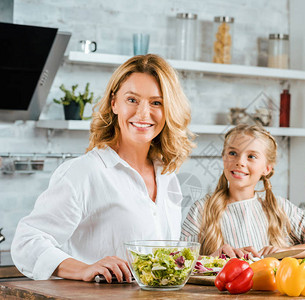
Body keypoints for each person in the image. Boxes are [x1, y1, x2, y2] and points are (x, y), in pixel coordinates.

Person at [11, 54, 195, 282]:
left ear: (168, 110)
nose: (143, 113)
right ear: (114, 102)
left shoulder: (167, 176)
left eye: (156, 102)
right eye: (132, 100)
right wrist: (81, 269)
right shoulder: (85, 172)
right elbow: (27, 241)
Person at [181, 125, 305, 258]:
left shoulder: (281, 208)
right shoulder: (201, 210)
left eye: (251, 156)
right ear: (223, 157)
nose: (240, 162)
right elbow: (180, 261)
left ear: (267, 168)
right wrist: (214, 257)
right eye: (233, 153)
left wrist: (287, 251)